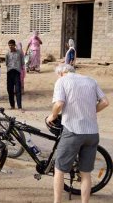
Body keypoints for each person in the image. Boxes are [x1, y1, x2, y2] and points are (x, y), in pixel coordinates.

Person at [46, 64, 109, 203]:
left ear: (61, 73)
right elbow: (105, 102)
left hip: (73, 130)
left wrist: (53, 115)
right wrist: (90, 112)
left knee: (59, 170)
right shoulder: (91, 80)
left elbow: (59, 104)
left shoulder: (62, 81)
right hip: (92, 132)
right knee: (86, 173)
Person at [5, 40, 25, 112]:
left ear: (14, 45)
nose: (10, 46)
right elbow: (6, 63)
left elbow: (22, 62)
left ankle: (19, 106)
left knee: (18, 90)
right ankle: (12, 105)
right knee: (10, 90)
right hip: (9, 72)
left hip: (17, 72)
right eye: (9, 45)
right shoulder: (7, 53)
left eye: (12, 45)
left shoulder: (19, 53)